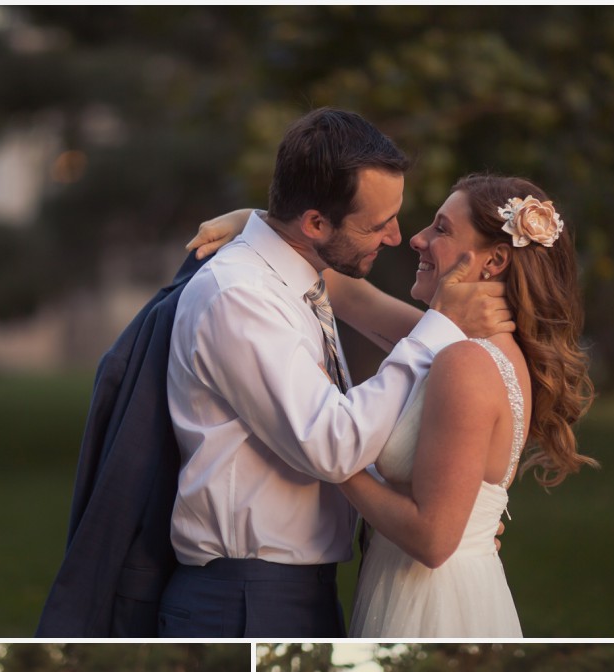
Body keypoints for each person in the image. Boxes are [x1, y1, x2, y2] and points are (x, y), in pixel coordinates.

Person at [189, 172, 597, 638]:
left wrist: (331, 453)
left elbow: (433, 538)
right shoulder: (470, 344)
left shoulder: (465, 362)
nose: (417, 239)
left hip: (428, 600)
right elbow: (351, 297)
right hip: (432, 583)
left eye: (442, 229)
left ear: (495, 260)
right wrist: (260, 224)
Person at [159, 107, 513, 639]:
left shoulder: (301, 277)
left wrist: (463, 517)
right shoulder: (241, 296)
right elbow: (332, 446)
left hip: (302, 587)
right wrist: (437, 325)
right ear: (315, 223)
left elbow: (362, 305)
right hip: (246, 596)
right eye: (378, 223)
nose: (400, 237)